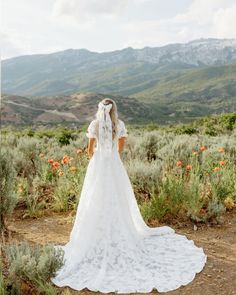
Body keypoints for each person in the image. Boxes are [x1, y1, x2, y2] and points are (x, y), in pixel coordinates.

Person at [51, 98, 207, 293]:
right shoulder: (120, 125)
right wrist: (110, 157)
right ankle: (121, 231)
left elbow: (90, 150)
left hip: (98, 166)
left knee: (95, 200)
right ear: (114, 110)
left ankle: (94, 237)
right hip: (115, 166)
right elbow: (120, 149)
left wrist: (98, 161)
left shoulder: (95, 125)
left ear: (100, 110)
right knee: (118, 199)